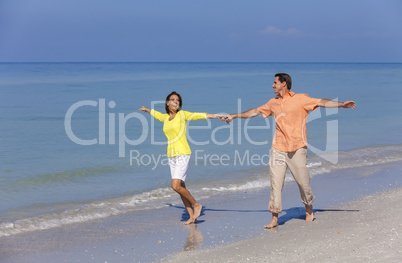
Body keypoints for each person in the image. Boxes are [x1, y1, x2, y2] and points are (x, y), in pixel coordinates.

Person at [224, 73, 356, 229]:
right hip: (278, 148)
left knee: (303, 182)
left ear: (283, 83)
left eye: (275, 83)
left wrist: (341, 105)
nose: (272, 85)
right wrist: (234, 116)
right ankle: (274, 218)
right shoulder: (272, 103)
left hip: (297, 148)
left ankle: (308, 207)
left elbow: (321, 102)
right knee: (276, 184)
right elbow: (254, 112)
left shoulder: (300, 99)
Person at [140, 91, 223, 225]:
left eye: (177, 100)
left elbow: (198, 116)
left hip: (183, 153)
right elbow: (157, 115)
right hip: (171, 156)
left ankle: (196, 205)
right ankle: (192, 217)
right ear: (167, 103)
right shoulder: (165, 118)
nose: (175, 102)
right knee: (181, 187)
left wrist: (216, 115)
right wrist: (147, 110)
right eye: (172, 100)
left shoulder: (182, 115)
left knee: (175, 186)